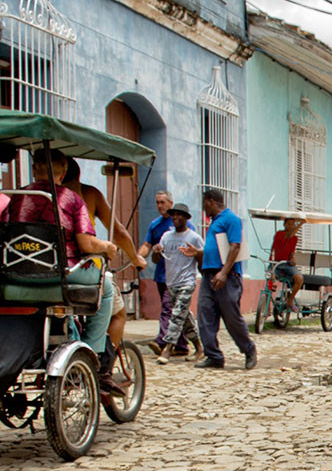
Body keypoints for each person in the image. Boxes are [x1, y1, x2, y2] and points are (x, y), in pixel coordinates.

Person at [2, 149, 123, 396]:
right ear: (64, 170)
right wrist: (108, 247)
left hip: (17, 277)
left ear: (34, 168)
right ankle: (93, 354)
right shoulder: (70, 199)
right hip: (61, 277)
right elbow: (87, 244)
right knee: (107, 290)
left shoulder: (16, 198)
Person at [63, 157, 147, 351]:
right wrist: (135, 259)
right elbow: (118, 233)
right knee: (117, 311)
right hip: (78, 269)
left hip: (38, 268)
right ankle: (98, 362)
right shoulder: (86, 195)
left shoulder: (36, 195)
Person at [185, 188, 256, 370]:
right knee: (205, 314)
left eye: (204, 203)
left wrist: (224, 273)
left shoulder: (231, 219)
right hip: (209, 275)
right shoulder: (215, 222)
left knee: (231, 317)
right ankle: (214, 356)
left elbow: (235, 247)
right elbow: (218, 248)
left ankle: (248, 349)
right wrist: (198, 252)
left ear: (211, 201)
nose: (203, 208)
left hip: (227, 276)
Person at [138, 190, 194, 357]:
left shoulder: (182, 225)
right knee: (179, 312)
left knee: (168, 309)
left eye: (162, 202)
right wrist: (139, 258)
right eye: (157, 202)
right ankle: (182, 345)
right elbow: (147, 244)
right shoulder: (155, 225)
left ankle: (162, 340)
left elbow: (193, 249)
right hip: (162, 275)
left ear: (171, 203)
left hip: (179, 276)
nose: (159, 206)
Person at [152, 203, 203, 364]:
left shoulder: (194, 237)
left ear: (186, 218)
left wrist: (197, 255)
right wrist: (156, 252)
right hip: (171, 282)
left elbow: (203, 258)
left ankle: (168, 348)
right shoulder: (166, 237)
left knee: (176, 315)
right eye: (173, 215)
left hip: (187, 281)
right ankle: (199, 347)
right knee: (184, 316)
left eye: (179, 215)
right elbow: (156, 260)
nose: (175, 218)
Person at [270, 217, 305, 309]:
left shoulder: (295, 238)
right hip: (275, 263)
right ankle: (267, 305)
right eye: (288, 224)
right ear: (284, 224)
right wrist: (300, 224)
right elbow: (289, 235)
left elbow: (291, 252)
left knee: (299, 278)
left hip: (286, 264)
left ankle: (290, 300)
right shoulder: (279, 234)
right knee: (270, 280)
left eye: (292, 224)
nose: (290, 226)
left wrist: (292, 259)